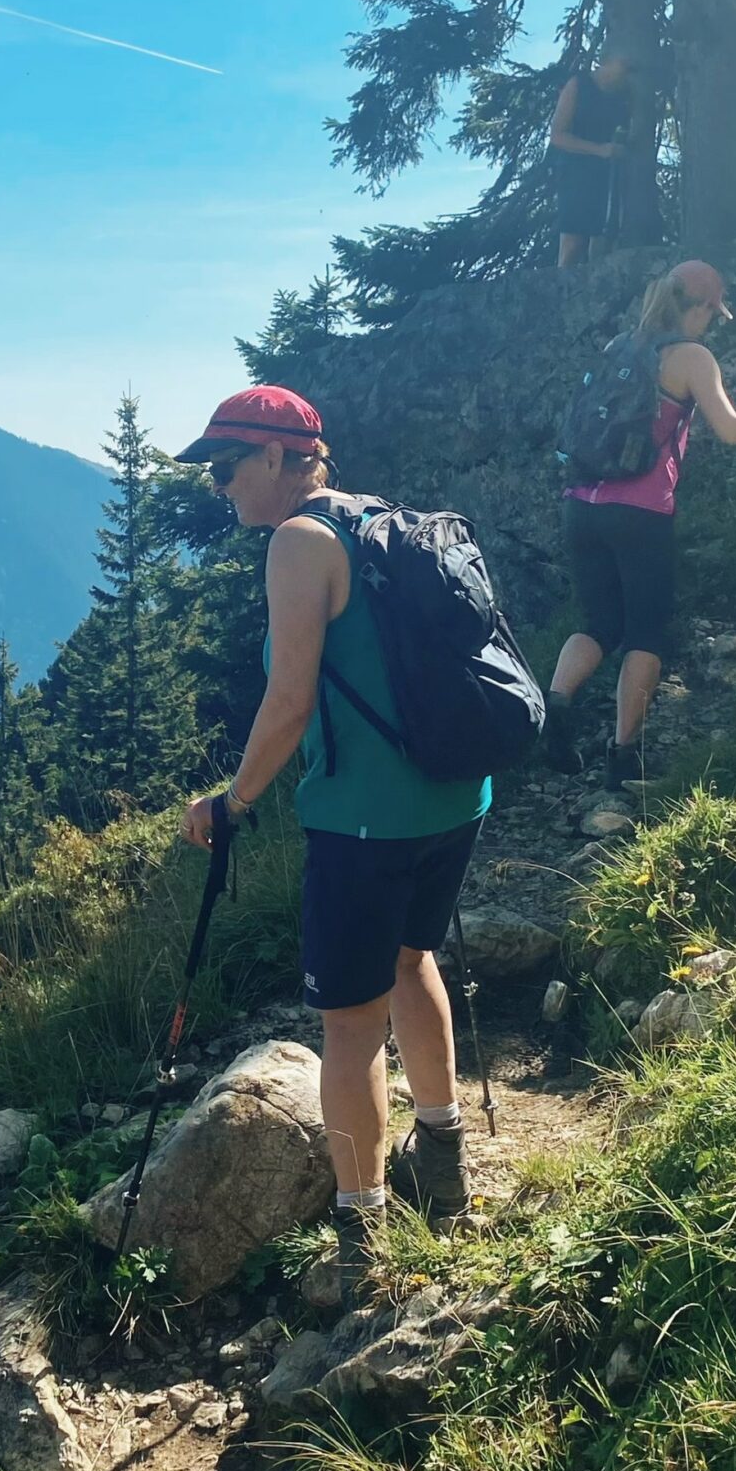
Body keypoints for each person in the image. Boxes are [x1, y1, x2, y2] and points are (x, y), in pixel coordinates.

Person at [174, 385, 489, 1301]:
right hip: (453, 792)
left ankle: (363, 1231)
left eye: (226, 466)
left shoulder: (297, 544)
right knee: (412, 961)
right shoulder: (380, 521)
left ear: (277, 458)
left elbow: (290, 703)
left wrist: (231, 803)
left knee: (347, 1030)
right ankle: (443, 1160)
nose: (219, 485)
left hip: (363, 817)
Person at [545, 260, 736, 786]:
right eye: (714, 311)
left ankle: (554, 706)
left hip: (582, 505)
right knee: (645, 632)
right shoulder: (691, 358)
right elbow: (730, 431)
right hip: (641, 512)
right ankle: (623, 757)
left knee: (598, 624)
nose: (713, 322)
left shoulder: (622, 345)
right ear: (702, 306)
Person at [548, 54, 635, 267]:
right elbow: (558, 135)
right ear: (610, 61)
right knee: (574, 241)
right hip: (575, 169)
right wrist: (599, 150)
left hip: (608, 173)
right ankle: (563, 292)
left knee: (604, 240)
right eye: (624, 67)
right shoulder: (579, 84)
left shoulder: (625, 94)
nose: (627, 74)